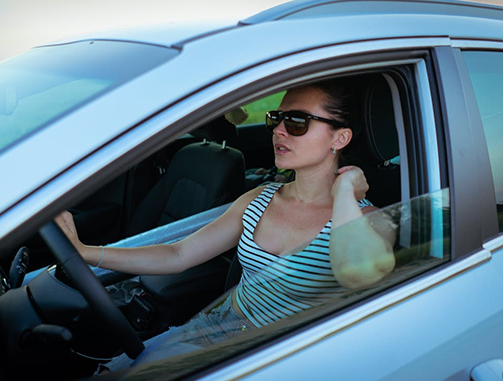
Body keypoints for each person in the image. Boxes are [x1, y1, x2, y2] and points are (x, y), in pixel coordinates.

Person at [54, 80, 396, 371]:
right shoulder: (260, 198)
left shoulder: (368, 220)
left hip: (276, 357)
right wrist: (87, 253)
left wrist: (346, 193)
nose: (277, 129)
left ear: (340, 139)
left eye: (296, 122)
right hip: (210, 329)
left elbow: (359, 274)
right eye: (277, 118)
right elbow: (178, 253)